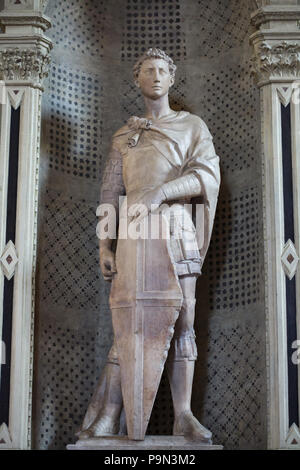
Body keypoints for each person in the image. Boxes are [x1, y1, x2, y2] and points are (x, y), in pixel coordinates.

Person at [78, 48, 220, 442]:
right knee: (128, 322)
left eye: (162, 70)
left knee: (184, 320)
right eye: (148, 71)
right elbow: (110, 193)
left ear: (172, 78)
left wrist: (163, 192)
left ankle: (184, 415)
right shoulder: (125, 135)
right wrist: (105, 246)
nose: (156, 76)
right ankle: (109, 415)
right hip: (134, 232)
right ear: (137, 79)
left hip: (175, 227)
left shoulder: (192, 126)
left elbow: (206, 177)